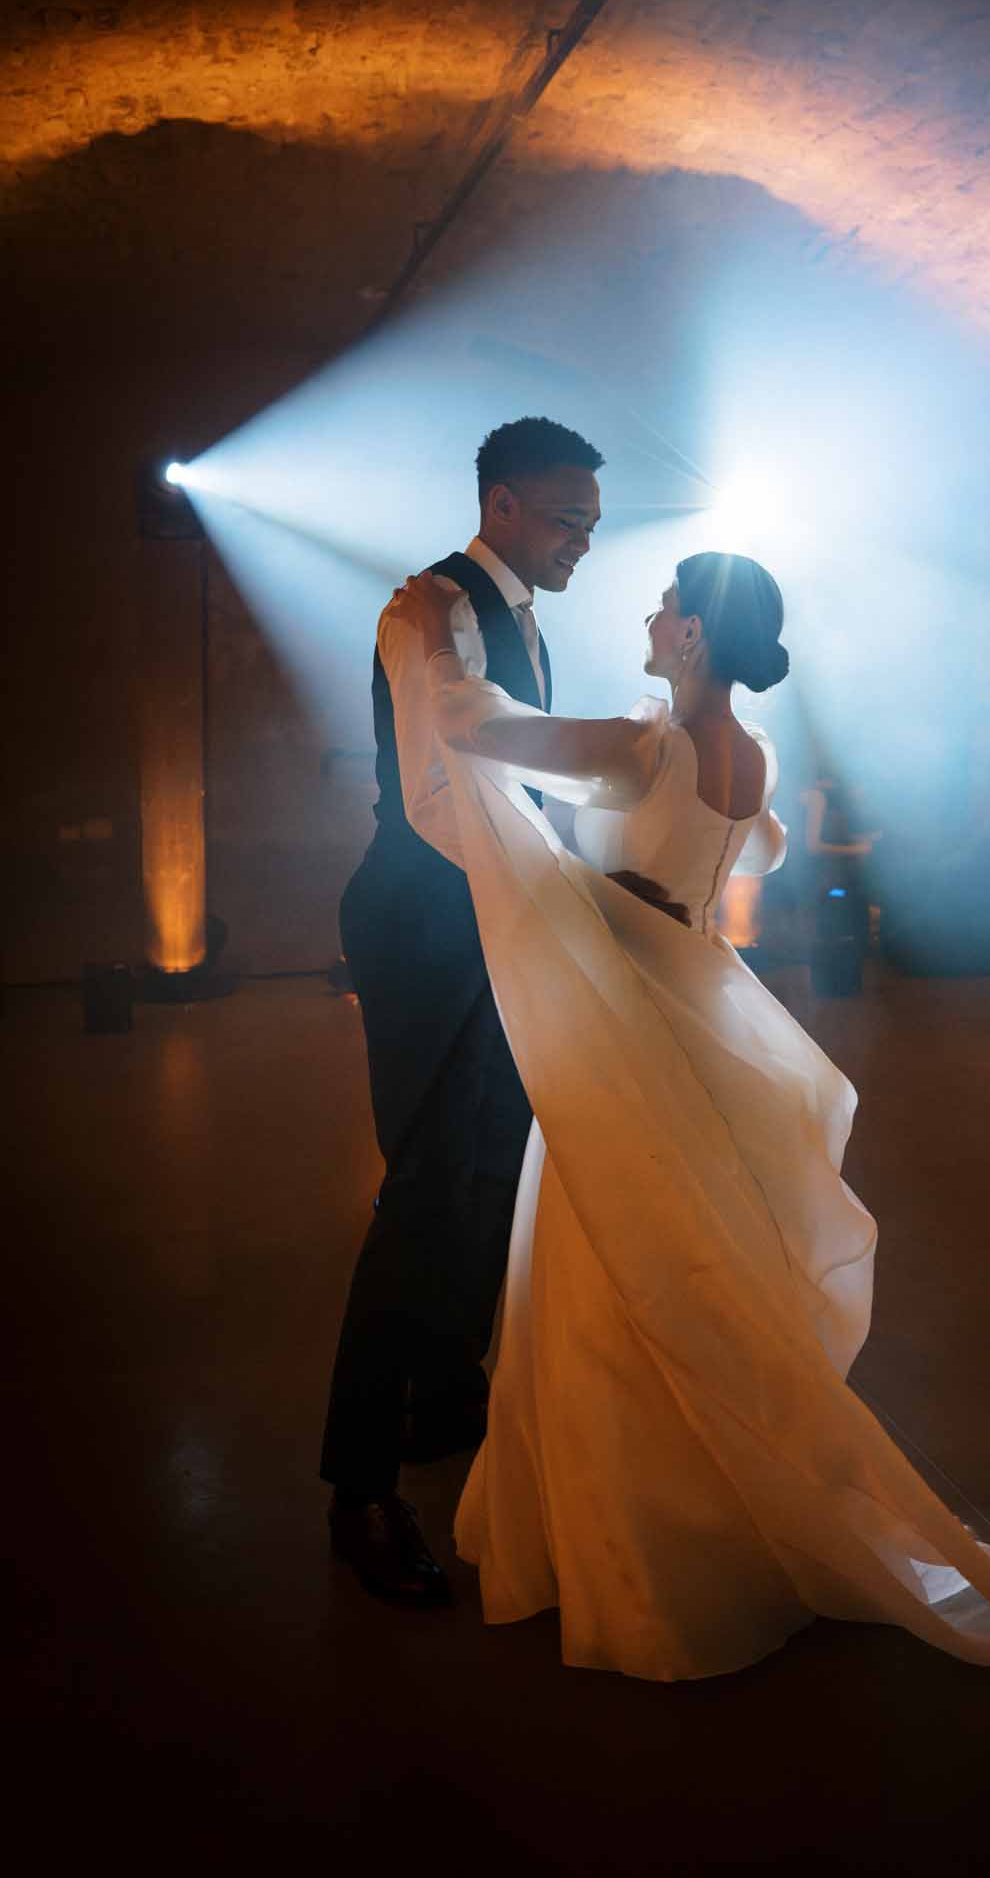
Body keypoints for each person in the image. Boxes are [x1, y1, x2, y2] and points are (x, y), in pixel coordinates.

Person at [386, 549, 990, 1680]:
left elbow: (473, 726)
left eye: (664, 605)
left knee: (606, 1260)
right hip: (706, 1022)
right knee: (693, 1260)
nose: (650, 619)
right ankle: (721, 1509)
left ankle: (637, 1541)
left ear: (694, 633)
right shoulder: (747, 754)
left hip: (628, 1030)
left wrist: (428, 639)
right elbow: (730, 854)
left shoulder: (639, 745)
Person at [321, 415, 604, 1604]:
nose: (580, 543)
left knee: (493, 1166)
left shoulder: (524, 610)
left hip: (495, 916)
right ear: (498, 504)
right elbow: (441, 793)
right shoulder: (424, 611)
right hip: (428, 924)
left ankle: (445, 1396)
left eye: (590, 525)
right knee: (426, 1191)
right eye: (561, 521)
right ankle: (360, 1488)